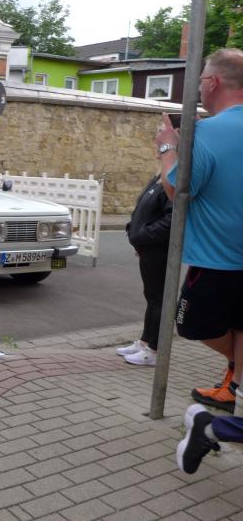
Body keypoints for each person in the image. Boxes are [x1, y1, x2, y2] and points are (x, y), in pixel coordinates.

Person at [155, 48, 243, 412]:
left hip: (216, 260)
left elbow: (177, 190)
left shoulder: (205, 132)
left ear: (214, 82)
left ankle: (236, 372)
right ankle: (234, 387)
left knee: (190, 324)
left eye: (202, 79)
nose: (200, 87)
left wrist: (166, 146)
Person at [116, 170, 172, 366]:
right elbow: (143, 210)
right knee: (151, 296)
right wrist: (133, 229)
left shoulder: (172, 180)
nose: (158, 154)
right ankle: (144, 342)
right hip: (148, 248)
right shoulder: (159, 177)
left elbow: (171, 219)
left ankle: (154, 351)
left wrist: (142, 235)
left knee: (158, 299)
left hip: (159, 250)